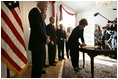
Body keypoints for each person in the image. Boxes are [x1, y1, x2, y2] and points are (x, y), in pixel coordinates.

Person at [28, 1, 50, 78]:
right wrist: (45, 38)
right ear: (41, 4)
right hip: (36, 45)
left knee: (38, 66)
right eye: (46, 6)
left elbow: (42, 29)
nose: (46, 8)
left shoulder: (39, 13)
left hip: (39, 44)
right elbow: (38, 28)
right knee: (36, 67)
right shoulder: (34, 11)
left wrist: (46, 36)